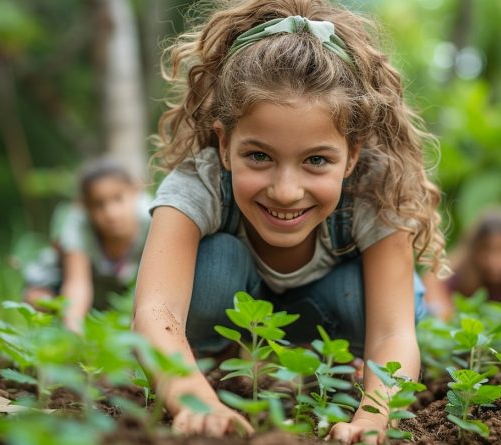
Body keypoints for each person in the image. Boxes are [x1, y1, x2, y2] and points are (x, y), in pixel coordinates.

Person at [131, 1, 445, 443]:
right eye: (259, 156)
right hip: (237, 315)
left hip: (337, 315)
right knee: (216, 261)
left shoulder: (374, 189)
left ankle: (345, 375)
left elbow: (393, 330)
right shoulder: (198, 183)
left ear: (351, 155)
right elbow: (154, 310)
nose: (285, 190)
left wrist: (375, 416)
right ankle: (216, 370)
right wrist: (189, 397)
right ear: (224, 145)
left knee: (363, 291)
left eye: (316, 160)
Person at [23, 158, 151, 332]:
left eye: (118, 199)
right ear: (84, 206)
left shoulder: (152, 218)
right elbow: (77, 284)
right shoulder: (78, 224)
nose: (110, 213)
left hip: (118, 290)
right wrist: (74, 333)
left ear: (135, 191)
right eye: (99, 205)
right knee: (37, 300)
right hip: (63, 280)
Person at [423, 209, 501, 320]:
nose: (494, 260)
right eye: (486, 250)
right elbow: (432, 281)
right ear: (474, 251)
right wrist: (446, 314)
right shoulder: (459, 269)